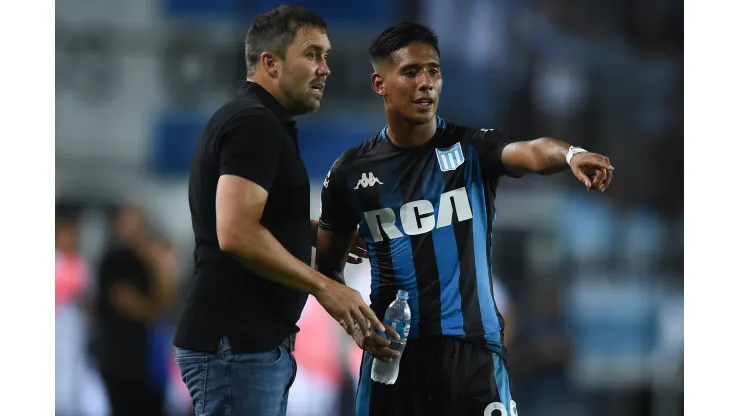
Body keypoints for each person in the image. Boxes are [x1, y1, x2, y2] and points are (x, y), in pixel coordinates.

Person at [314, 22, 614, 416]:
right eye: (411, 72)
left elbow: (534, 152)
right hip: (394, 356)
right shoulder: (350, 173)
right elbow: (327, 271)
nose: (426, 83)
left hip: (473, 354)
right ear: (379, 83)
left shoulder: (471, 147)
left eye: (433, 71)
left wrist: (571, 154)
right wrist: (354, 324)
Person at [172, 6, 382, 416]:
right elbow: (235, 231)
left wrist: (309, 230)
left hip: (242, 347)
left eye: (327, 56)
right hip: (237, 347)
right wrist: (326, 286)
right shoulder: (255, 125)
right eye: (312, 54)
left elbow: (244, 222)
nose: (325, 69)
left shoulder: (257, 121)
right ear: (270, 62)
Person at [92, 206, 178, 416]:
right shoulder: (115, 257)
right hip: (119, 356)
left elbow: (166, 299)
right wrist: (153, 311)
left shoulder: (146, 261)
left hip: (146, 357)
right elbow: (125, 301)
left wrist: (160, 264)